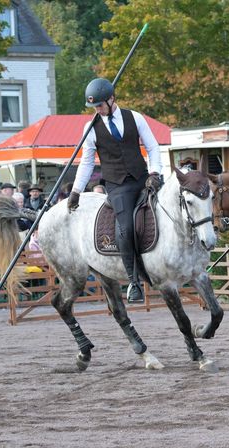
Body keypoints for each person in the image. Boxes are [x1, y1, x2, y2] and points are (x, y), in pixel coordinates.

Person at [69, 77, 163, 303]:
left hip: (143, 177)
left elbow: (152, 147)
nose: (97, 110)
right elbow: (87, 162)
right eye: (94, 107)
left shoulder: (135, 117)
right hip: (118, 185)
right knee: (126, 228)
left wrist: (155, 173)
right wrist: (76, 191)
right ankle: (133, 281)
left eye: (100, 105)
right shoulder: (90, 127)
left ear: (112, 99)